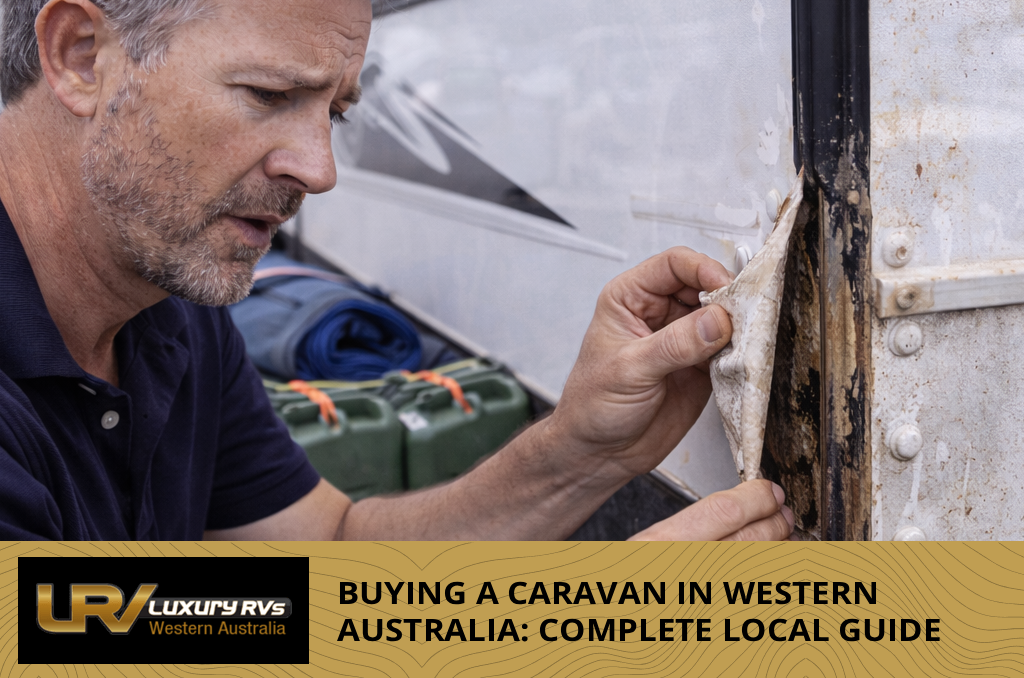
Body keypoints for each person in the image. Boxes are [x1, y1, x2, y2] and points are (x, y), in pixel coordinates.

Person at [0, 0, 794, 541]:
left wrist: (581, 452)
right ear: (80, 55)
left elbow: (329, 556)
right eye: (269, 94)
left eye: (335, 113)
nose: (320, 170)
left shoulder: (171, 315)